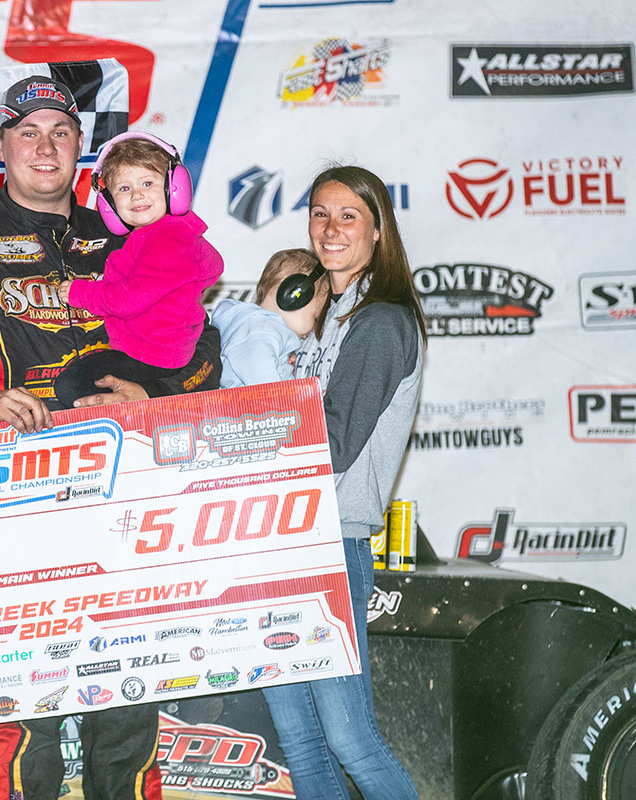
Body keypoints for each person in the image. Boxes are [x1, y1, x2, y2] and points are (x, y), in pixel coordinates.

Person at [0, 75, 222, 800]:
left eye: (61, 131)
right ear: (0, 146)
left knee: (130, 695)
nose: (45, 145)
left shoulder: (133, 233)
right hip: (9, 501)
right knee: (24, 707)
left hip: (128, 496)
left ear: (82, 148)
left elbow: (205, 346)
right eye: (27, 131)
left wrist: (154, 391)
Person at [260, 165, 423, 800]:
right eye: (319, 215)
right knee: (300, 739)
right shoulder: (324, 317)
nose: (329, 230)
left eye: (347, 216)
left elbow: (329, 444)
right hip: (279, 535)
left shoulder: (380, 321)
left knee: (349, 737)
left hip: (327, 541)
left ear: (378, 232)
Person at [52, 132, 223, 406]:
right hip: (154, 351)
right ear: (109, 203)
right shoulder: (163, 234)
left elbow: (129, 299)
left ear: (173, 188)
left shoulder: (167, 237)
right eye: (124, 189)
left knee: (72, 384)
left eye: (147, 182)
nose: (137, 195)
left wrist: (79, 292)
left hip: (152, 355)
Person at [211, 248, 329, 388]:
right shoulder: (261, 330)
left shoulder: (261, 331)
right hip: (254, 409)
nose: (314, 328)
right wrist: (287, 405)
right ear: (294, 297)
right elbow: (265, 388)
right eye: (315, 318)